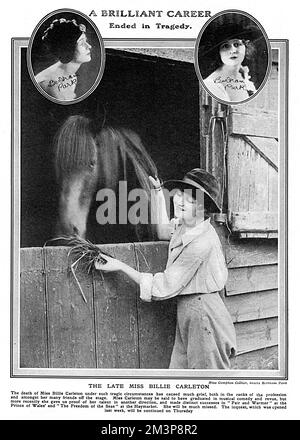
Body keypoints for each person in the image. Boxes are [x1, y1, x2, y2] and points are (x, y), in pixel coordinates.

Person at [94, 168, 237, 369]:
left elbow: (162, 286)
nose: (179, 200)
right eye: (179, 193)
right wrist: (158, 193)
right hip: (189, 311)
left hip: (204, 315)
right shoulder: (186, 225)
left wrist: (120, 266)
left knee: (207, 386)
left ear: (204, 209)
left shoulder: (201, 243)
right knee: (181, 379)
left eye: (190, 199)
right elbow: (162, 230)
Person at [199, 21, 259, 102]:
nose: (233, 50)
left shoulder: (243, 76)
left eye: (237, 44)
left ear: (246, 47)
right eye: (226, 46)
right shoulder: (212, 85)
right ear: (218, 52)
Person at [34, 18, 92, 101]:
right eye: (82, 43)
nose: (89, 46)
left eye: (86, 41)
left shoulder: (70, 75)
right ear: (68, 49)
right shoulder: (55, 85)